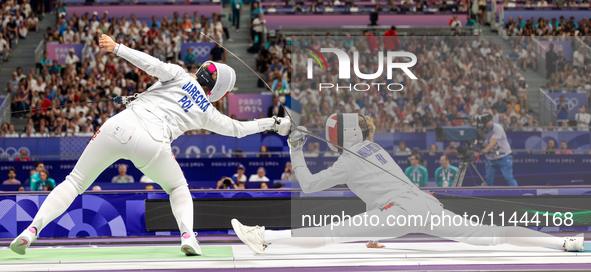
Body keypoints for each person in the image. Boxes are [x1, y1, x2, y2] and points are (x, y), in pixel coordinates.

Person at [10, 34, 290, 256]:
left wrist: (117, 47)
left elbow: (151, 63)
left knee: (74, 182)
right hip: (152, 145)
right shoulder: (207, 111)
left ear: (203, 69)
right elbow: (239, 130)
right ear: (217, 92)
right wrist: (274, 122)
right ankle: (188, 236)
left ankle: (32, 230)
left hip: (118, 126)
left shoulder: (180, 74)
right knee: (178, 187)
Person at [231, 113, 584, 254]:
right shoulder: (373, 148)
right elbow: (378, 188)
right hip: (424, 208)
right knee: (494, 234)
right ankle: (564, 242)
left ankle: (266, 237)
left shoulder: (349, 159)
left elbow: (307, 185)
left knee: (332, 230)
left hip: (400, 212)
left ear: (341, 133)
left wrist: (296, 150)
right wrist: (374, 233)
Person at [475, 114, 518, 186]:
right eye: (484, 123)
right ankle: (489, 195)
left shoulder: (498, 128)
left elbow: (492, 144)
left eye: (487, 122)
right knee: (488, 179)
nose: (486, 124)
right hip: (491, 158)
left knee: (508, 177)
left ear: (491, 120)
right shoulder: (481, 128)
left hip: (504, 156)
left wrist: (479, 153)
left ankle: (518, 194)